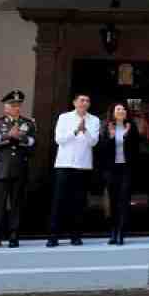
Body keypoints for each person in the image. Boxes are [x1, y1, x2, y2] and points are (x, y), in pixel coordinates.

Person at [0, 90, 36, 249]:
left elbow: (34, 143)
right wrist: (7, 136)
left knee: (16, 203)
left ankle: (14, 235)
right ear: (5, 107)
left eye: (18, 105)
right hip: (2, 168)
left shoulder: (28, 123)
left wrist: (21, 137)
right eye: (13, 105)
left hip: (20, 168)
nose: (16, 108)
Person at [50, 94, 100, 247]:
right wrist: (75, 131)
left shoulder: (94, 120)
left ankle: (76, 236)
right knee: (59, 201)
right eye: (81, 100)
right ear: (74, 102)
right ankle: (53, 236)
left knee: (79, 202)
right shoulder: (64, 117)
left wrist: (85, 130)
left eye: (87, 101)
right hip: (64, 164)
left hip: (82, 165)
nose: (84, 103)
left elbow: (94, 142)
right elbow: (59, 139)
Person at [99, 102, 141, 245]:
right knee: (112, 201)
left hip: (126, 169)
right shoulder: (106, 126)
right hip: (111, 169)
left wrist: (127, 135)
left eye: (123, 109)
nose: (121, 111)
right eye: (118, 109)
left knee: (124, 200)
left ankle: (121, 233)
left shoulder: (131, 126)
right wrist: (111, 137)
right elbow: (101, 149)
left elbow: (137, 149)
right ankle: (112, 231)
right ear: (113, 112)